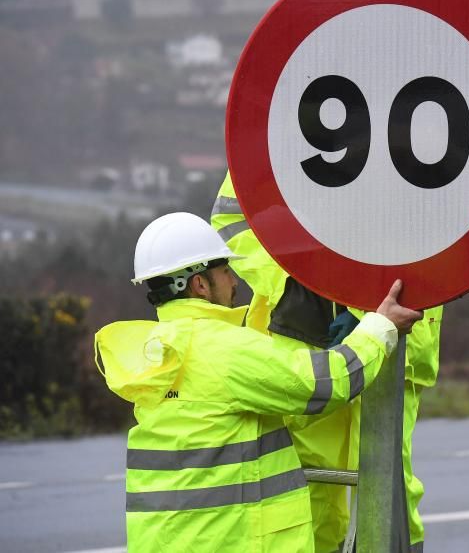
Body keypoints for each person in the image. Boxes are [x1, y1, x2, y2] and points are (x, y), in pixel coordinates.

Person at [95, 212, 422, 553]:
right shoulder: (223, 348)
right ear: (200, 284)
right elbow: (327, 383)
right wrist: (380, 327)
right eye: (225, 271)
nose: (235, 282)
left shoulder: (156, 350)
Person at [211, 172, 442, 553]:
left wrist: (360, 302)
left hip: (397, 332)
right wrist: (293, 287)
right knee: (307, 490)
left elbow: (442, 227)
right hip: (301, 338)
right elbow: (231, 218)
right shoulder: (283, 126)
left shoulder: (413, 120)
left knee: (387, 483)